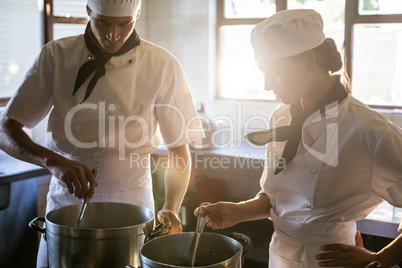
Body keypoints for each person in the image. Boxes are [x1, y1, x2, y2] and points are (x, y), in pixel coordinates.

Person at [0, 0, 204, 267]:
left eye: (124, 24)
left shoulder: (163, 64)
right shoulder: (56, 56)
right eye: (103, 22)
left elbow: (178, 151)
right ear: (88, 11)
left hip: (135, 203)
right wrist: (53, 161)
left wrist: (171, 207)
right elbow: (6, 130)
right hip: (68, 202)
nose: (113, 35)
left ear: (138, 14)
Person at [195, 9, 402, 268]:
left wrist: (380, 259)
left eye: (275, 72)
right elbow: (278, 197)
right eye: (263, 73)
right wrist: (239, 211)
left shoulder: (369, 130)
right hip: (280, 256)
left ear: (308, 60)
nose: (267, 85)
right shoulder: (281, 118)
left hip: (330, 260)